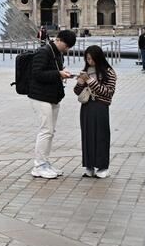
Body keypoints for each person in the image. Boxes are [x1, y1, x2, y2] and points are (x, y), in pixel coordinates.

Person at [27, 29, 77, 179]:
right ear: (59, 40)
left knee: (50, 131)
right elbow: (36, 73)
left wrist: (62, 72)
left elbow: (54, 70)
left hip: (52, 96)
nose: (67, 49)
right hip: (40, 96)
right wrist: (58, 74)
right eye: (67, 46)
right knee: (45, 131)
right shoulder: (43, 52)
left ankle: (45, 162)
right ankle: (39, 166)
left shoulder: (57, 53)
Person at [75, 45, 117, 178]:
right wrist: (81, 82)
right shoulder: (86, 71)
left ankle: (103, 166)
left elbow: (108, 92)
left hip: (100, 106)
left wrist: (90, 81)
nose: (90, 61)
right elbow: (77, 91)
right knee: (87, 136)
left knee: (101, 136)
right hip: (87, 106)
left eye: (92, 59)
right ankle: (89, 165)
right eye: (87, 59)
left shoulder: (108, 72)